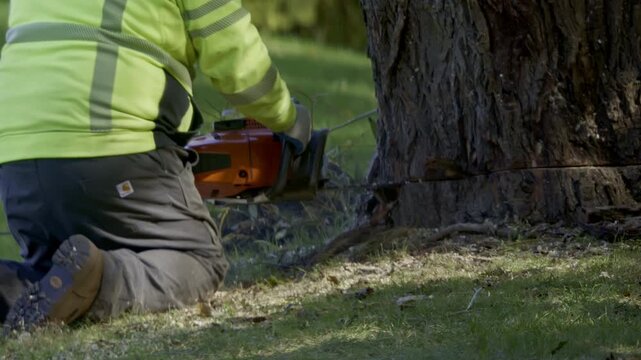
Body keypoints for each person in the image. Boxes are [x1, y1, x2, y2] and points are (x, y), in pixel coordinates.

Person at [0, 0, 311, 333]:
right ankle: (101, 283)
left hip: (15, 157)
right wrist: (288, 119)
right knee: (199, 260)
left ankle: (9, 288)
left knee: (53, 274)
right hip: (109, 143)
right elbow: (235, 56)